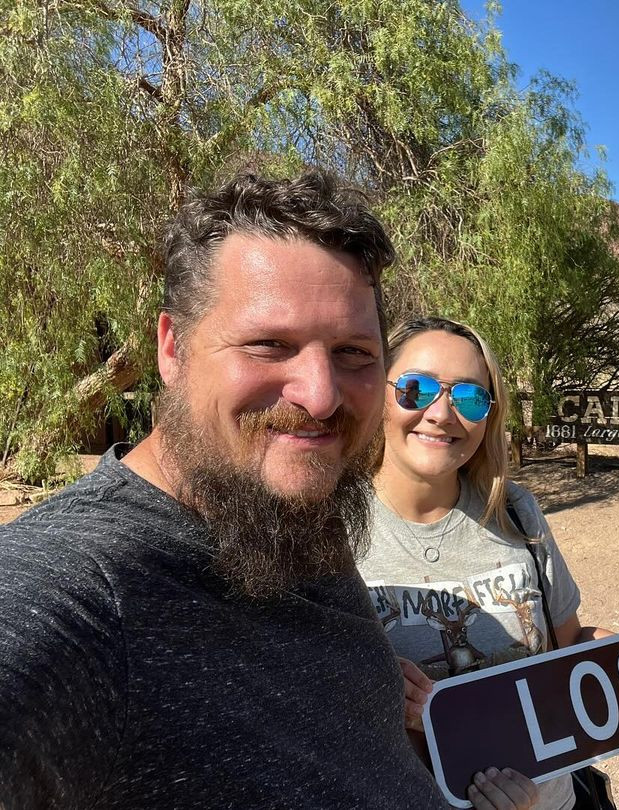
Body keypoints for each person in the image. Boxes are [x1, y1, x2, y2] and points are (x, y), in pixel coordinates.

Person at [0, 171, 536, 809]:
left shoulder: (292, 513)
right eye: (268, 345)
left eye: (353, 352)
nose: (321, 396)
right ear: (172, 349)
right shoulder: (85, 592)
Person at [359, 316, 619, 810]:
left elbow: (571, 646)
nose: (442, 414)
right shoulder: (328, 535)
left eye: (470, 398)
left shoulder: (515, 511)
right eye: (416, 389)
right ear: (377, 392)